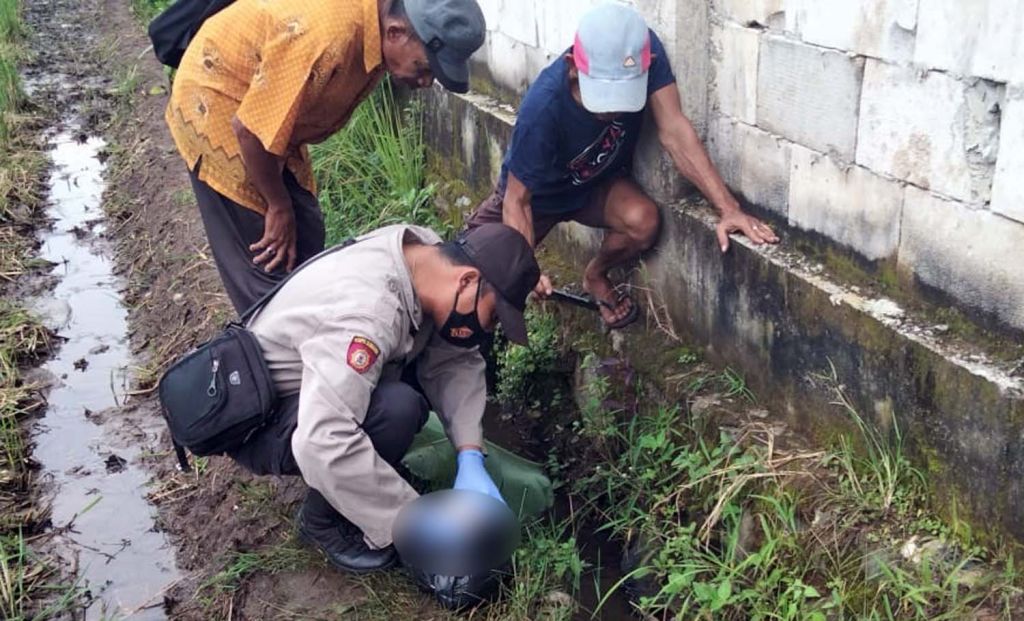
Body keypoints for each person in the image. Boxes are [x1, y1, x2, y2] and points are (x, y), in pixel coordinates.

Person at [227, 222, 540, 580]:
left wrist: (470, 455)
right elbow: (321, 442)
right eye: (494, 314)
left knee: (403, 399)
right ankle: (320, 521)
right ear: (467, 280)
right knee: (398, 409)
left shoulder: (426, 259)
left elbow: (455, 358)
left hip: (312, 392)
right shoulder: (368, 313)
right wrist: (415, 522)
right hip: (261, 422)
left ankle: (366, 480)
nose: (490, 327)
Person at [467, 3, 780, 330]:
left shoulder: (644, 51)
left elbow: (674, 131)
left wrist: (729, 209)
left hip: (593, 186)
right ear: (573, 66)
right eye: (604, 97)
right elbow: (518, 201)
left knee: (643, 220)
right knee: (475, 278)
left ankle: (596, 274)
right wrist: (525, 271)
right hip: (537, 198)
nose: (613, 110)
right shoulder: (543, 107)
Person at [165, 0, 486, 314]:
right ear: (396, 32)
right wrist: (277, 205)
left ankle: (312, 328)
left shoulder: (373, 25)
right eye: (425, 68)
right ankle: (270, 348)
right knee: (266, 261)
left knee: (306, 236)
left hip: (266, 118)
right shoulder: (325, 39)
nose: (425, 83)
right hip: (218, 103)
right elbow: (249, 131)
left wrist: (286, 203)